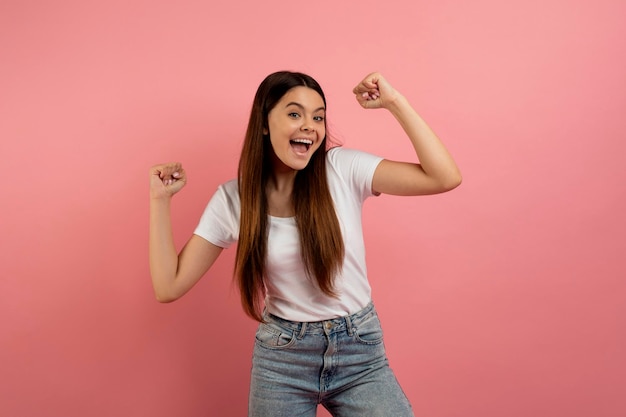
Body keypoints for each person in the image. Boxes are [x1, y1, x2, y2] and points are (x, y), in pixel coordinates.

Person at [149, 71, 461, 416]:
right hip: (283, 360)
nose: (310, 126)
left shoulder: (342, 169)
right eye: (295, 114)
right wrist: (160, 201)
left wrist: (394, 103)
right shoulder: (234, 199)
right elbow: (169, 286)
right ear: (264, 123)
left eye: (319, 117)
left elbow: (444, 177)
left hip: (359, 351)